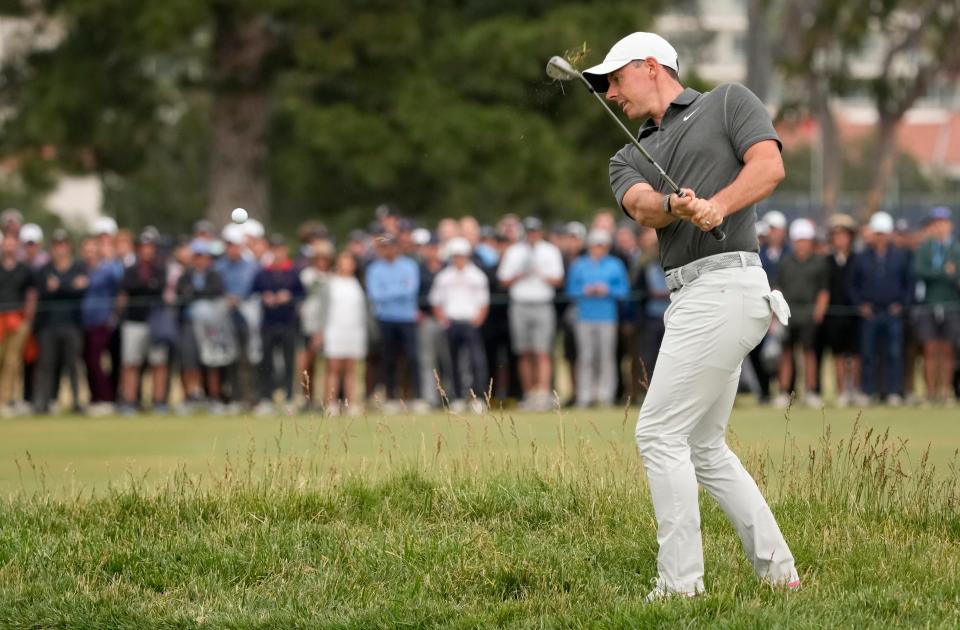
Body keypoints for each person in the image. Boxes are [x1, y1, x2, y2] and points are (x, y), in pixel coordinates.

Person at [589, 31, 799, 598]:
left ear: (651, 66)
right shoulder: (626, 155)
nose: (610, 94)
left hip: (729, 285)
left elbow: (769, 166)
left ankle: (681, 587)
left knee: (658, 434)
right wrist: (672, 205)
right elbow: (639, 205)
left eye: (615, 79)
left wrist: (717, 204)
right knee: (703, 447)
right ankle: (779, 574)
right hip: (689, 298)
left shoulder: (728, 101)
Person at [496, 217, 564, 411]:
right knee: (524, 352)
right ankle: (529, 395)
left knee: (542, 352)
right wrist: (520, 273)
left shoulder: (550, 251)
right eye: (529, 231)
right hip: (520, 304)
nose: (532, 235)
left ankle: (542, 395)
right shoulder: (514, 251)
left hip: (542, 303)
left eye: (535, 231)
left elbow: (558, 279)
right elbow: (504, 280)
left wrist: (540, 272)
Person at [848, 212, 912, 406]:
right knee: (868, 354)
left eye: (884, 233)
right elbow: (852, 285)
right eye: (878, 233)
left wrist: (902, 305)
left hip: (893, 312)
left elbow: (909, 284)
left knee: (894, 354)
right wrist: (860, 304)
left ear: (889, 234)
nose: (881, 237)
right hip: (870, 313)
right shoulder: (861, 257)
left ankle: (893, 392)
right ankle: (868, 391)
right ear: (873, 234)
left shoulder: (900, 257)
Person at [565, 229, 630, 407]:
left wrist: (607, 290)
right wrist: (584, 290)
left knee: (606, 357)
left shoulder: (615, 265)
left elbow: (624, 290)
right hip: (584, 316)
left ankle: (605, 395)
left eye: (602, 245)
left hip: (607, 317)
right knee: (585, 357)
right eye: (595, 245)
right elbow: (570, 290)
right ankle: (585, 395)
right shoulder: (579, 265)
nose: (598, 249)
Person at [772, 219, 828, 408]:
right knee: (786, 354)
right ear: (794, 241)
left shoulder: (819, 262)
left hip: (809, 314)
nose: (802, 244)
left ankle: (811, 392)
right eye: (799, 240)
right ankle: (784, 392)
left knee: (809, 353)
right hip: (788, 315)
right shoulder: (786, 262)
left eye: (805, 240)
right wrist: (775, 315)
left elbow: (823, 290)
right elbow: (777, 288)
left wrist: (819, 311)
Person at [429, 237, 490, 412]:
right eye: (456, 256)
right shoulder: (444, 277)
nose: (458, 259)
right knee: (452, 361)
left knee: (475, 361)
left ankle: (478, 397)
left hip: (470, 322)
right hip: (451, 323)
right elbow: (436, 302)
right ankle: (456, 397)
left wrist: (477, 321)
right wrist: (443, 320)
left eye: (461, 255)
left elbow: (483, 303)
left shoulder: (477, 276)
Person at [365, 233, 425, 411]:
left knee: (412, 358)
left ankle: (417, 397)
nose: (388, 250)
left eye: (391, 246)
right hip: (385, 318)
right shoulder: (375, 268)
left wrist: (388, 291)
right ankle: (391, 397)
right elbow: (375, 295)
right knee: (388, 359)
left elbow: (411, 290)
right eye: (384, 246)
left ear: (397, 247)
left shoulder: (409, 265)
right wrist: (399, 289)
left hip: (407, 318)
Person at [32, 229, 88, 414]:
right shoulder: (44, 270)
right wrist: (69, 286)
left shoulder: (79, 267)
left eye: (63, 245)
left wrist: (60, 287)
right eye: (57, 245)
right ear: (52, 248)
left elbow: (80, 291)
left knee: (73, 365)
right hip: (48, 325)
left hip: (72, 324)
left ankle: (77, 402)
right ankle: (43, 403)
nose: (60, 249)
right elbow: (44, 291)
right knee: (46, 365)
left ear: (69, 247)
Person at [116, 232, 169, 414]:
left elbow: (159, 288)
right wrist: (146, 286)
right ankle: (130, 402)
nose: (147, 250)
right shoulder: (130, 270)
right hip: (133, 321)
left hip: (156, 322)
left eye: (151, 247)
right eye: (144, 246)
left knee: (158, 363)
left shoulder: (161, 269)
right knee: (131, 363)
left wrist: (143, 286)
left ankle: (159, 401)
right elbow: (127, 288)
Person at [911, 207, 960, 405]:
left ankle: (945, 392)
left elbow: (956, 275)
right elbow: (920, 271)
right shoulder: (924, 248)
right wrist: (944, 272)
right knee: (929, 349)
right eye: (936, 223)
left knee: (948, 350)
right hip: (928, 305)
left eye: (943, 223)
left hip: (952, 305)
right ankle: (930, 393)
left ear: (950, 225)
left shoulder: (956, 249)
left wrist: (944, 273)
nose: (940, 227)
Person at [252, 234, 304, 414]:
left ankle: (289, 397)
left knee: (289, 361)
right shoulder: (263, 272)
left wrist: (288, 297)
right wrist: (265, 297)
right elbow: (254, 291)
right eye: (274, 249)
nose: (277, 252)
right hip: (268, 323)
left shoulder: (293, 272)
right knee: (266, 362)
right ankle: (266, 397)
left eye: (280, 249)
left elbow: (301, 294)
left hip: (288, 322)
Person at [175, 239, 227, 411]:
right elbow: (181, 294)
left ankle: (214, 397)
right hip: (189, 323)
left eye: (203, 256)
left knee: (212, 361)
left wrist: (194, 293)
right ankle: (192, 397)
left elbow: (215, 291)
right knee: (189, 360)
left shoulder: (215, 275)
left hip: (211, 325)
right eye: (197, 256)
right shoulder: (185, 276)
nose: (200, 260)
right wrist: (196, 294)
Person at [821, 214, 863, 407]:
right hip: (834, 314)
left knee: (855, 354)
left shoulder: (858, 260)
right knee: (837, 353)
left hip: (855, 313)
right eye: (836, 236)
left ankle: (854, 390)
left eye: (844, 235)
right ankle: (841, 392)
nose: (840, 240)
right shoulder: (827, 261)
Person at [81, 225, 124, 415]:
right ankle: (95, 397)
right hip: (87, 322)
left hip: (103, 321)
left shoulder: (109, 267)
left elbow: (119, 284)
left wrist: (113, 316)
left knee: (96, 360)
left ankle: (106, 399)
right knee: (89, 361)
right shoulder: (87, 269)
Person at [323, 252, 367, 415]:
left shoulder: (357, 284)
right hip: (334, 329)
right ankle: (331, 404)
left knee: (351, 368)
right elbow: (324, 309)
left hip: (354, 331)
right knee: (333, 368)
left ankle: (350, 403)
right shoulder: (331, 283)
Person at [0, 234, 36, 417]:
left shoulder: (24, 269)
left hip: (17, 320)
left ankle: (5, 401)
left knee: (12, 362)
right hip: (0, 320)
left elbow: (31, 293)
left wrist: (27, 319)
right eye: (6, 244)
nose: (9, 247)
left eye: (12, 244)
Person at [299, 241, 334, 409]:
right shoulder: (308, 275)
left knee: (329, 365)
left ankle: (328, 400)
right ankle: (307, 399)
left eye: (324, 258)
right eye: (318, 258)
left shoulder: (332, 276)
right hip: (310, 324)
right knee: (308, 364)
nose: (321, 262)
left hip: (330, 325)